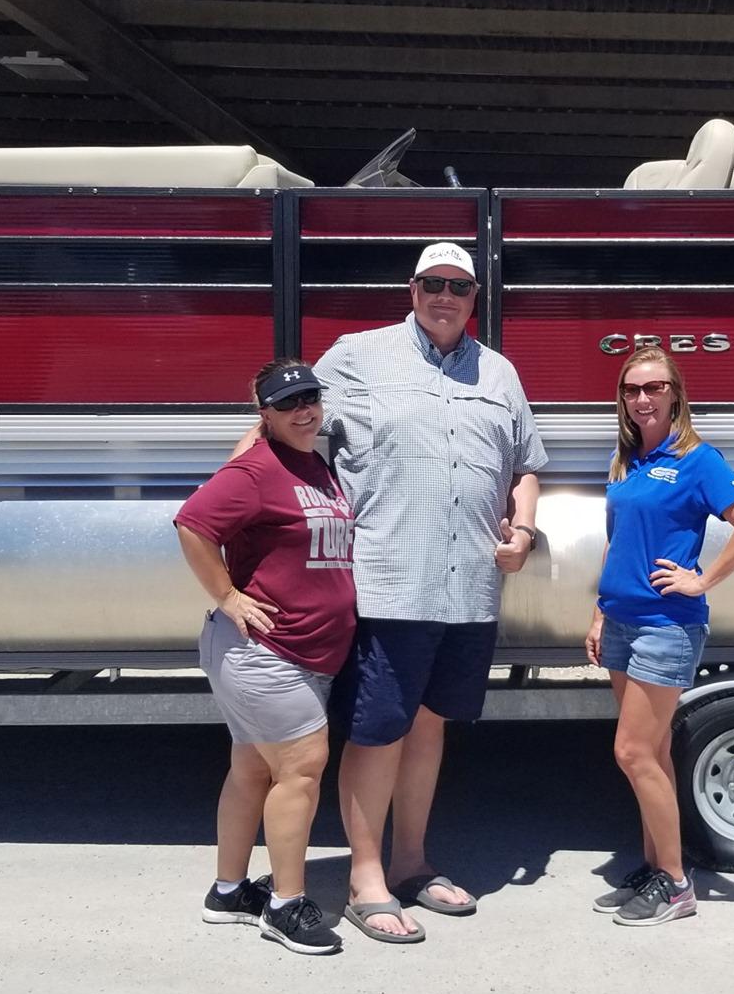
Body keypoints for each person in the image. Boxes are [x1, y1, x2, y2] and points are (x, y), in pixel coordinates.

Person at [236, 240, 546, 944]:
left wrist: (523, 531)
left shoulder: (498, 373)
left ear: (475, 298)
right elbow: (285, 426)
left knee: (430, 725)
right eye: (432, 283)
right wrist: (227, 503)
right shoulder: (355, 355)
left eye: (458, 287)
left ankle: (411, 863)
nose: (445, 296)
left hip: (468, 588)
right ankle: (364, 878)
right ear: (411, 289)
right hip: (386, 584)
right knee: (379, 733)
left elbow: (525, 465)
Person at [585, 345, 734, 927]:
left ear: (675, 393)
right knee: (656, 752)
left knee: (632, 751)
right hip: (620, 620)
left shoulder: (697, 458)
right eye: (632, 389)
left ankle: (675, 884)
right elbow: (621, 544)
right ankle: (654, 865)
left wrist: (702, 579)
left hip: (665, 627)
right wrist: (599, 611)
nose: (643, 398)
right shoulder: (627, 461)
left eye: (654, 387)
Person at [175, 359, 355, 957]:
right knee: (301, 768)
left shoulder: (312, 464)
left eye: (310, 399)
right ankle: (285, 905)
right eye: (287, 405)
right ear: (266, 415)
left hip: (300, 652)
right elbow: (193, 522)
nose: (304, 411)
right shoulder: (256, 471)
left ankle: (228, 892)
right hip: (266, 652)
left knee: (252, 769)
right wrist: (227, 596)